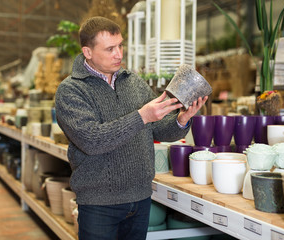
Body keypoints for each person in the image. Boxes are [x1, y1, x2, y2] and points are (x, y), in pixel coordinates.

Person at [55, 16, 208, 240]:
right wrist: (142, 116)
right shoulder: (71, 90)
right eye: (110, 49)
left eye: (120, 45)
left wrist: (181, 119)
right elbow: (92, 141)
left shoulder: (133, 82)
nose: (119, 54)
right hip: (99, 204)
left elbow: (160, 130)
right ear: (87, 52)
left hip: (141, 198)